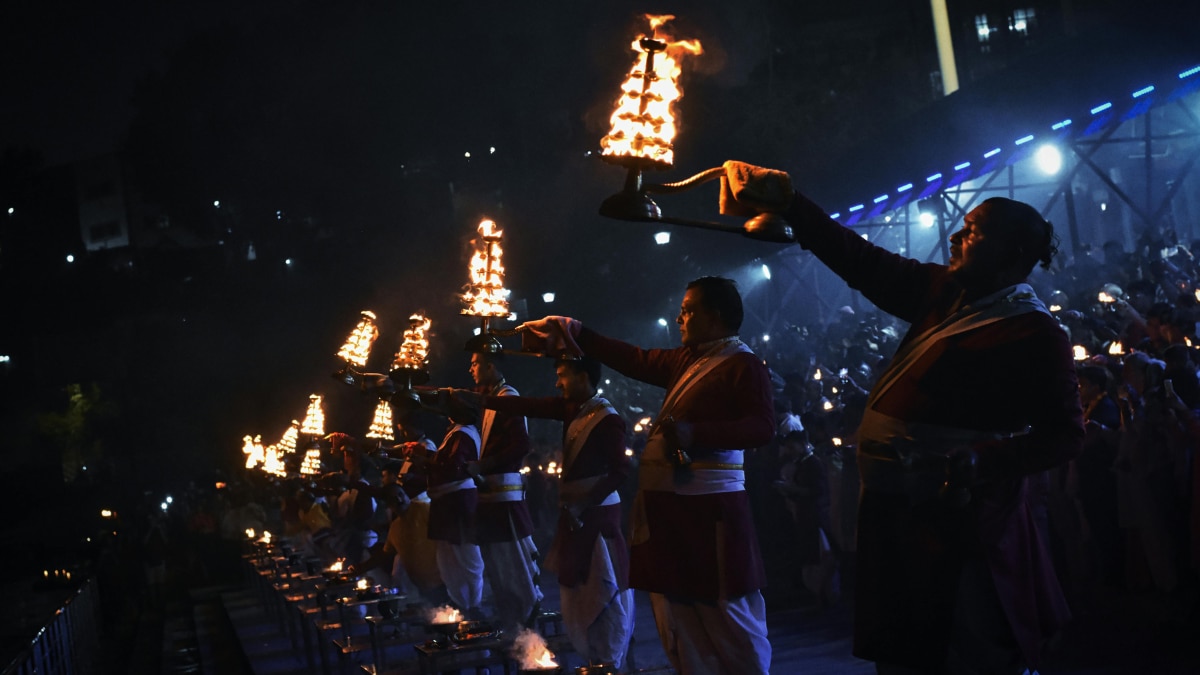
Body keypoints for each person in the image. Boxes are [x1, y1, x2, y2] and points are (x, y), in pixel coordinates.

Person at [740, 165, 1084, 674]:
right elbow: (860, 260)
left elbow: (1066, 434)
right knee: (905, 646)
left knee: (968, 643)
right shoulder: (940, 292)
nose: (956, 237)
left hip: (961, 515)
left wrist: (981, 461)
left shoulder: (1036, 334)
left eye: (973, 231)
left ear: (1012, 254)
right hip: (895, 508)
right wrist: (793, 204)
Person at [519, 275, 776, 675]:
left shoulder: (743, 365)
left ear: (717, 315)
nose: (679, 318)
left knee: (727, 612)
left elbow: (763, 427)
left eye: (689, 310)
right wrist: (573, 330)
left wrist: (698, 434)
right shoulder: (684, 361)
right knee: (678, 611)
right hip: (670, 510)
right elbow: (633, 358)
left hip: (712, 512)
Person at [452, 356, 635, 668]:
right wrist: (480, 399)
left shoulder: (607, 418)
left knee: (604, 593)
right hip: (576, 516)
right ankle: (596, 658)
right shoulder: (571, 410)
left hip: (597, 518)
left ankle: (608, 660)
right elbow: (530, 406)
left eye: (563, 375)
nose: (557, 383)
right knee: (578, 592)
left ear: (583, 375)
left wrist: (583, 504)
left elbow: (620, 471)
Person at [464, 344, 544, 629]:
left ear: (490, 366)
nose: (471, 369)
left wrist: (483, 467)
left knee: (515, 570)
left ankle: (528, 634)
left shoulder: (508, 397)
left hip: (505, 503)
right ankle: (514, 631)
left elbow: (521, 445)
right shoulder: (490, 399)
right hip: (492, 501)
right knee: (498, 571)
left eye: (475, 363)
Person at [425, 404, 485, 615]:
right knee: (448, 559)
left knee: (467, 557)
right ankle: (461, 603)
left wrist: (426, 461)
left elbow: (454, 466)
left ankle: (474, 606)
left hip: (458, 501)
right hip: (447, 503)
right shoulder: (454, 433)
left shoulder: (462, 434)